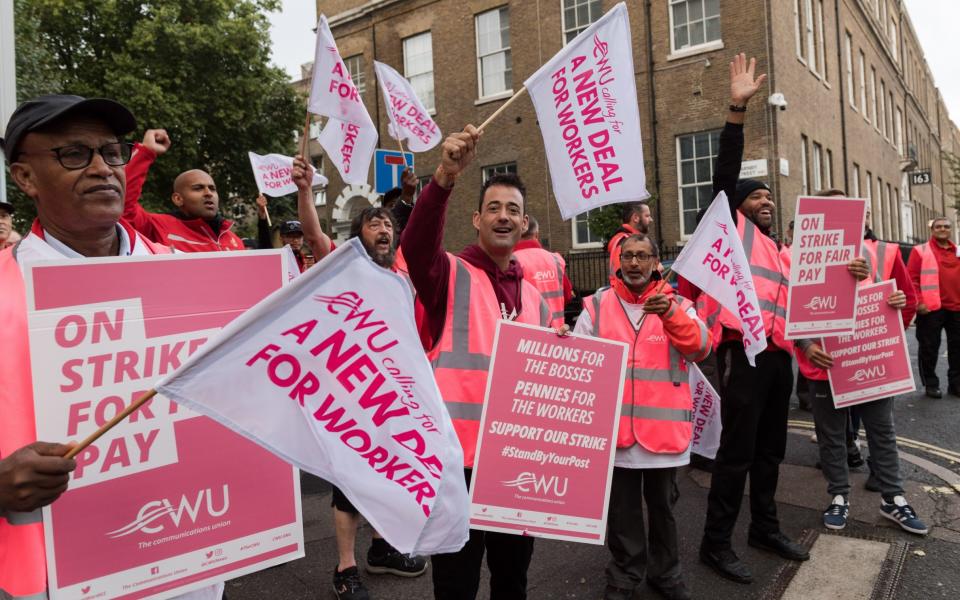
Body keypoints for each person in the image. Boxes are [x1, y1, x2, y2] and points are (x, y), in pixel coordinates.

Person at [0, 94, 223, 600]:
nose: (103, 167)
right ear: (25, 178)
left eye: (112, 151)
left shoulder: (199, 280)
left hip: (193, 566)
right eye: (74, 154)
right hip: (53, 581)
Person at [685, 54, 868, 584]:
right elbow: (723, 177)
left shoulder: (780, 251)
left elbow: (809, 303)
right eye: (755, 195)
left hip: (777, 361)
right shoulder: (731, 235)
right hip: (740, 355)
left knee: (771, 452)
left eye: (768, 196)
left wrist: (851, 270)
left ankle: (764, 527)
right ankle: (715, 544)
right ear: (736, 207)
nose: (765, 201)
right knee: (736, 455)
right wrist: (736, 110)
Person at [400, 125, 551, 600]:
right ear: (476, 219)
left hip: (515, 460)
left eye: (513, 210)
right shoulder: (449, 273)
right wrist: (444, 175)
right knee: (456, 583)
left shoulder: (537, 298)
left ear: (525, 224)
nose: (504, 217)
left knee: (513, 579)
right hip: (457, 463)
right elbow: (416, 245)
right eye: (494, 208)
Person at [576, 233, 710, 600]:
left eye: (642, 256)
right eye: (628, 256)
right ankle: (624, 576)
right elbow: (578, 364)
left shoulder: (679, 303)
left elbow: (700, 347)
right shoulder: (596, 305)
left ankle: (666, 575)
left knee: (663, 510)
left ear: (656, 263)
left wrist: (670, 314)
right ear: (618, 261)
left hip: (663, 434)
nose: (634, 263)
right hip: (614, 433)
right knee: (622, 513)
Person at [797, 189, 926, 535]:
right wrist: (807, 346)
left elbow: (907, 299)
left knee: (882, 432)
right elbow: (789, 311)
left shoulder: (883, 251)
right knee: (832, 436)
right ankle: (838, 496)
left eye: (848, 208)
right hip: (825, 362)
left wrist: (893, 313)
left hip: (871, 359)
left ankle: (893, 498)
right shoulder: (802, 255)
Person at [122, 128, 245, 251]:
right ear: (178, 199)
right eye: (198, 188)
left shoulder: (235, 241)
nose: (208, 193)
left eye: (212, 189)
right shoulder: (158, 226)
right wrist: (146, 151)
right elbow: (123, 205)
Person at [908, 217, 960, 399]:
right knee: (929, 347)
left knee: (957, 348)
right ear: (932, 230)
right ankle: (931, 383)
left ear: (951, 230)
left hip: (957, 307)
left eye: (946, 226)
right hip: (930, 308)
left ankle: (956, 384)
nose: (942, 229)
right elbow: (911, 279)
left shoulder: (958, 251)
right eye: (938, 227)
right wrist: (919, 302)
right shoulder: (920, 250)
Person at [513, 215, 574, 327]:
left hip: (530, 337)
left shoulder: (511, 261)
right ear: (537, 234)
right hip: (557, 333)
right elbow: (567, 295)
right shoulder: (555, 260)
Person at [607, 202, 652, 282]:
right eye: (647, 216)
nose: (651, 220)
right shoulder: (624, 242)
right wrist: (655, 270)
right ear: (635, 218)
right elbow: (624, 275)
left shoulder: (626, 240)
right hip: (629, 293)